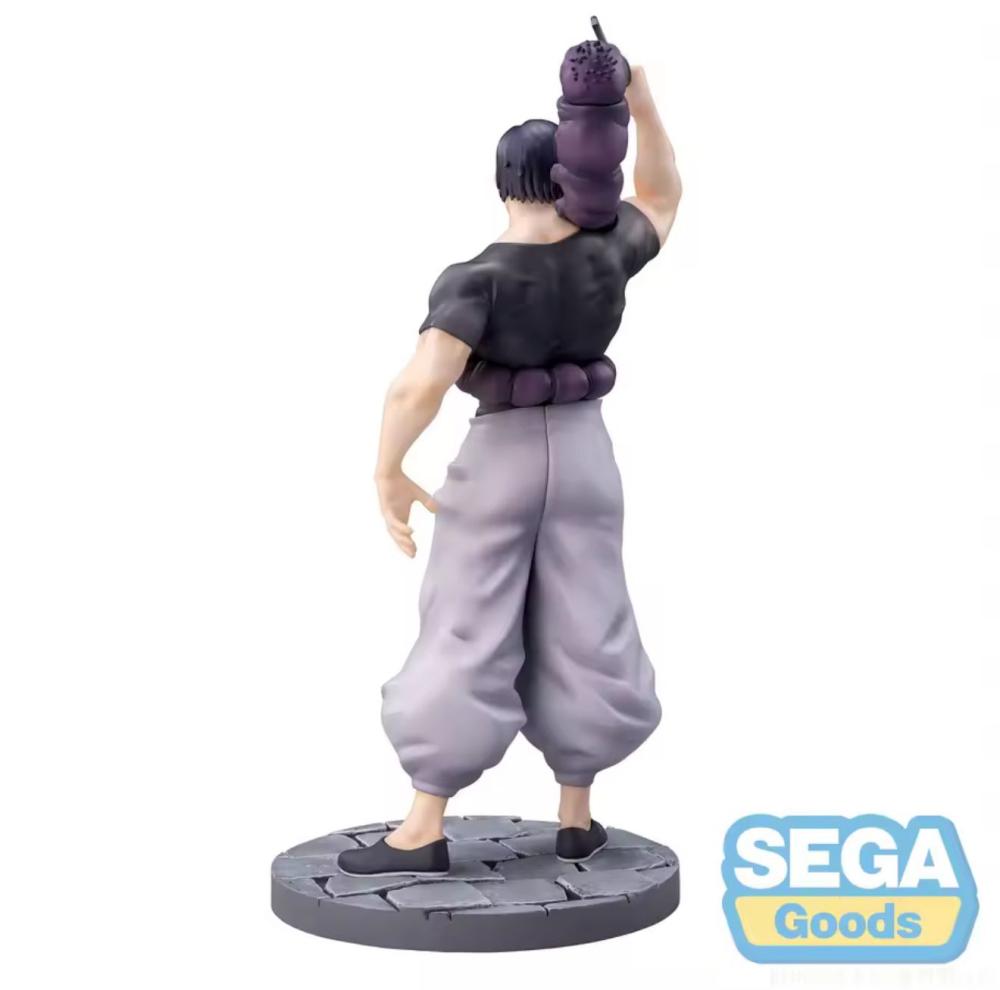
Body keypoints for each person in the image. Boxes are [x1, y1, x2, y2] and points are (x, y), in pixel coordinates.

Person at [338, 66, 681, 877]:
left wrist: (388, 469)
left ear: (501, 182)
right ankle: (576, 815)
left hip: (502, 459)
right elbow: (663, 195)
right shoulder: (607, 249)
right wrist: (640, 101)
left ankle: (423, 826)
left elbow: (420, 384)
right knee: (587, 617)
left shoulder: (476, 280)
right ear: (566, 177)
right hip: (588, 455)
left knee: (468, 618)